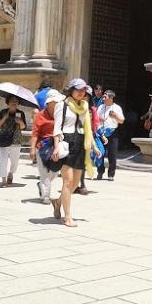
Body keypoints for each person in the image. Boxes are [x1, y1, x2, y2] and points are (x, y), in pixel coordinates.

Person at [50, 78, 101, 226]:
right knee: (67, 181)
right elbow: (57, 128)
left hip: (81, 144)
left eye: (83, 90)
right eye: (78, 90)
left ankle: (58, 202)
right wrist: (56, 146)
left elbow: (88, 129)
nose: (81, 93)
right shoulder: (62, 105)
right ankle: (67, 217)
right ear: (71, 90)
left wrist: (94, 146)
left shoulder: (85, 106)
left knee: (75, 183)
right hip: (67, 143)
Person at [30, 89, 63, 204]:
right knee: (44, 172)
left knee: (55, 171)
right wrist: (32, 149)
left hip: (57, 145)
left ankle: (42, 185)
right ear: (49, 103)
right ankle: (46, 196)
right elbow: (35, 133)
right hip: (42, 146)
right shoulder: (39, 116)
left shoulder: (61, 114)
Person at [0, 95, 27, 187]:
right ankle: (3, 180)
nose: (14, 103)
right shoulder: (3, 112)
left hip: (16, 139)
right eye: (12, 101)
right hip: (3, 138)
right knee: (3, 160)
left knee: (15, 161)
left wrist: (20, 122)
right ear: (8, 103)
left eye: (16, 101)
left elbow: (23, 127)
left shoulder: (21, 113)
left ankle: (11, 173)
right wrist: (5, 118)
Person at [96, 90, 124, 181]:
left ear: (111, 98)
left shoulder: (117, 108)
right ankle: (100, 171)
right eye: (103, 96)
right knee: (100, 153)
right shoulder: (100, 107)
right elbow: (95, 119)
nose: (103, 98)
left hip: (112, 133)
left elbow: (122, 121)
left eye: (105, 96)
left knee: (112, 154)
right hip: (101, 133)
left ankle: (111, 174)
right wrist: (99, 118)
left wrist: (115, 116)